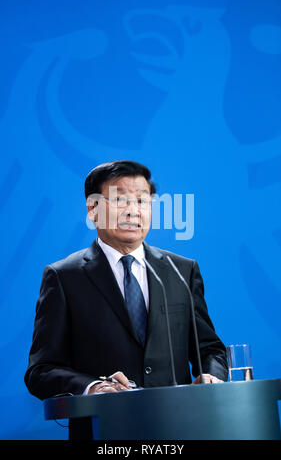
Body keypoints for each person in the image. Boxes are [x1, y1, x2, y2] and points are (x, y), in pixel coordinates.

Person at [25, 160, 228, 438]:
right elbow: (41, 371)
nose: (134, 211)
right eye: (120, 200)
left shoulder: (180, 271)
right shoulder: (63, 277)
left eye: (143, 201)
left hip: (180, 427)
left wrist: (211, 375)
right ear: (93, 210)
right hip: (104, 430)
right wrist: (95, 387)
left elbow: (208, 348)